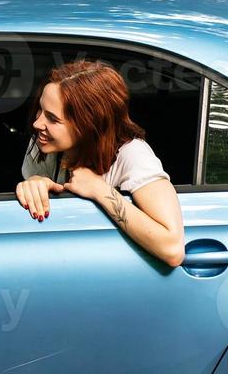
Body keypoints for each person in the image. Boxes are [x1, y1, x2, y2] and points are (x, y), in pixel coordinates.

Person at [14, 59, 185, 267]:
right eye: (40, 110)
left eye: (52, 118)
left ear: (87, 124)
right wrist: (35, 183)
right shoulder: (43, 143)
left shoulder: (132, 155)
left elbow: (173, 249)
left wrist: (100, 190)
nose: (37, 123)